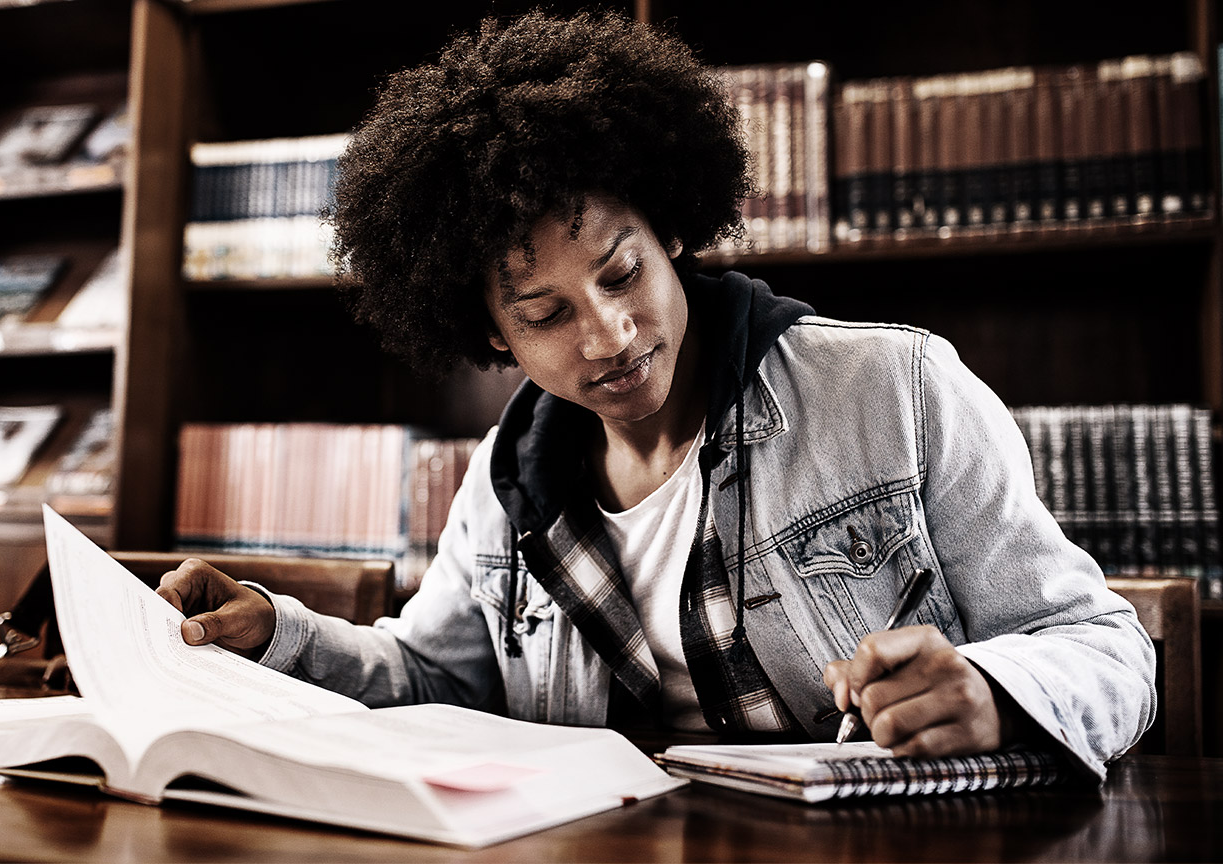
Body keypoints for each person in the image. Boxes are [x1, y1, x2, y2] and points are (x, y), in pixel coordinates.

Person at [157, 9, 1155, 779]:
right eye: (544, 316)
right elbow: (436, 679)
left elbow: (1110, 654)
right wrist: (272, 633)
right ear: (487, 334)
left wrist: (991, 692)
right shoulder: (506, 486)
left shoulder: (896, 390)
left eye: (623, 272)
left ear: (672, 233)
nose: (611, 334)